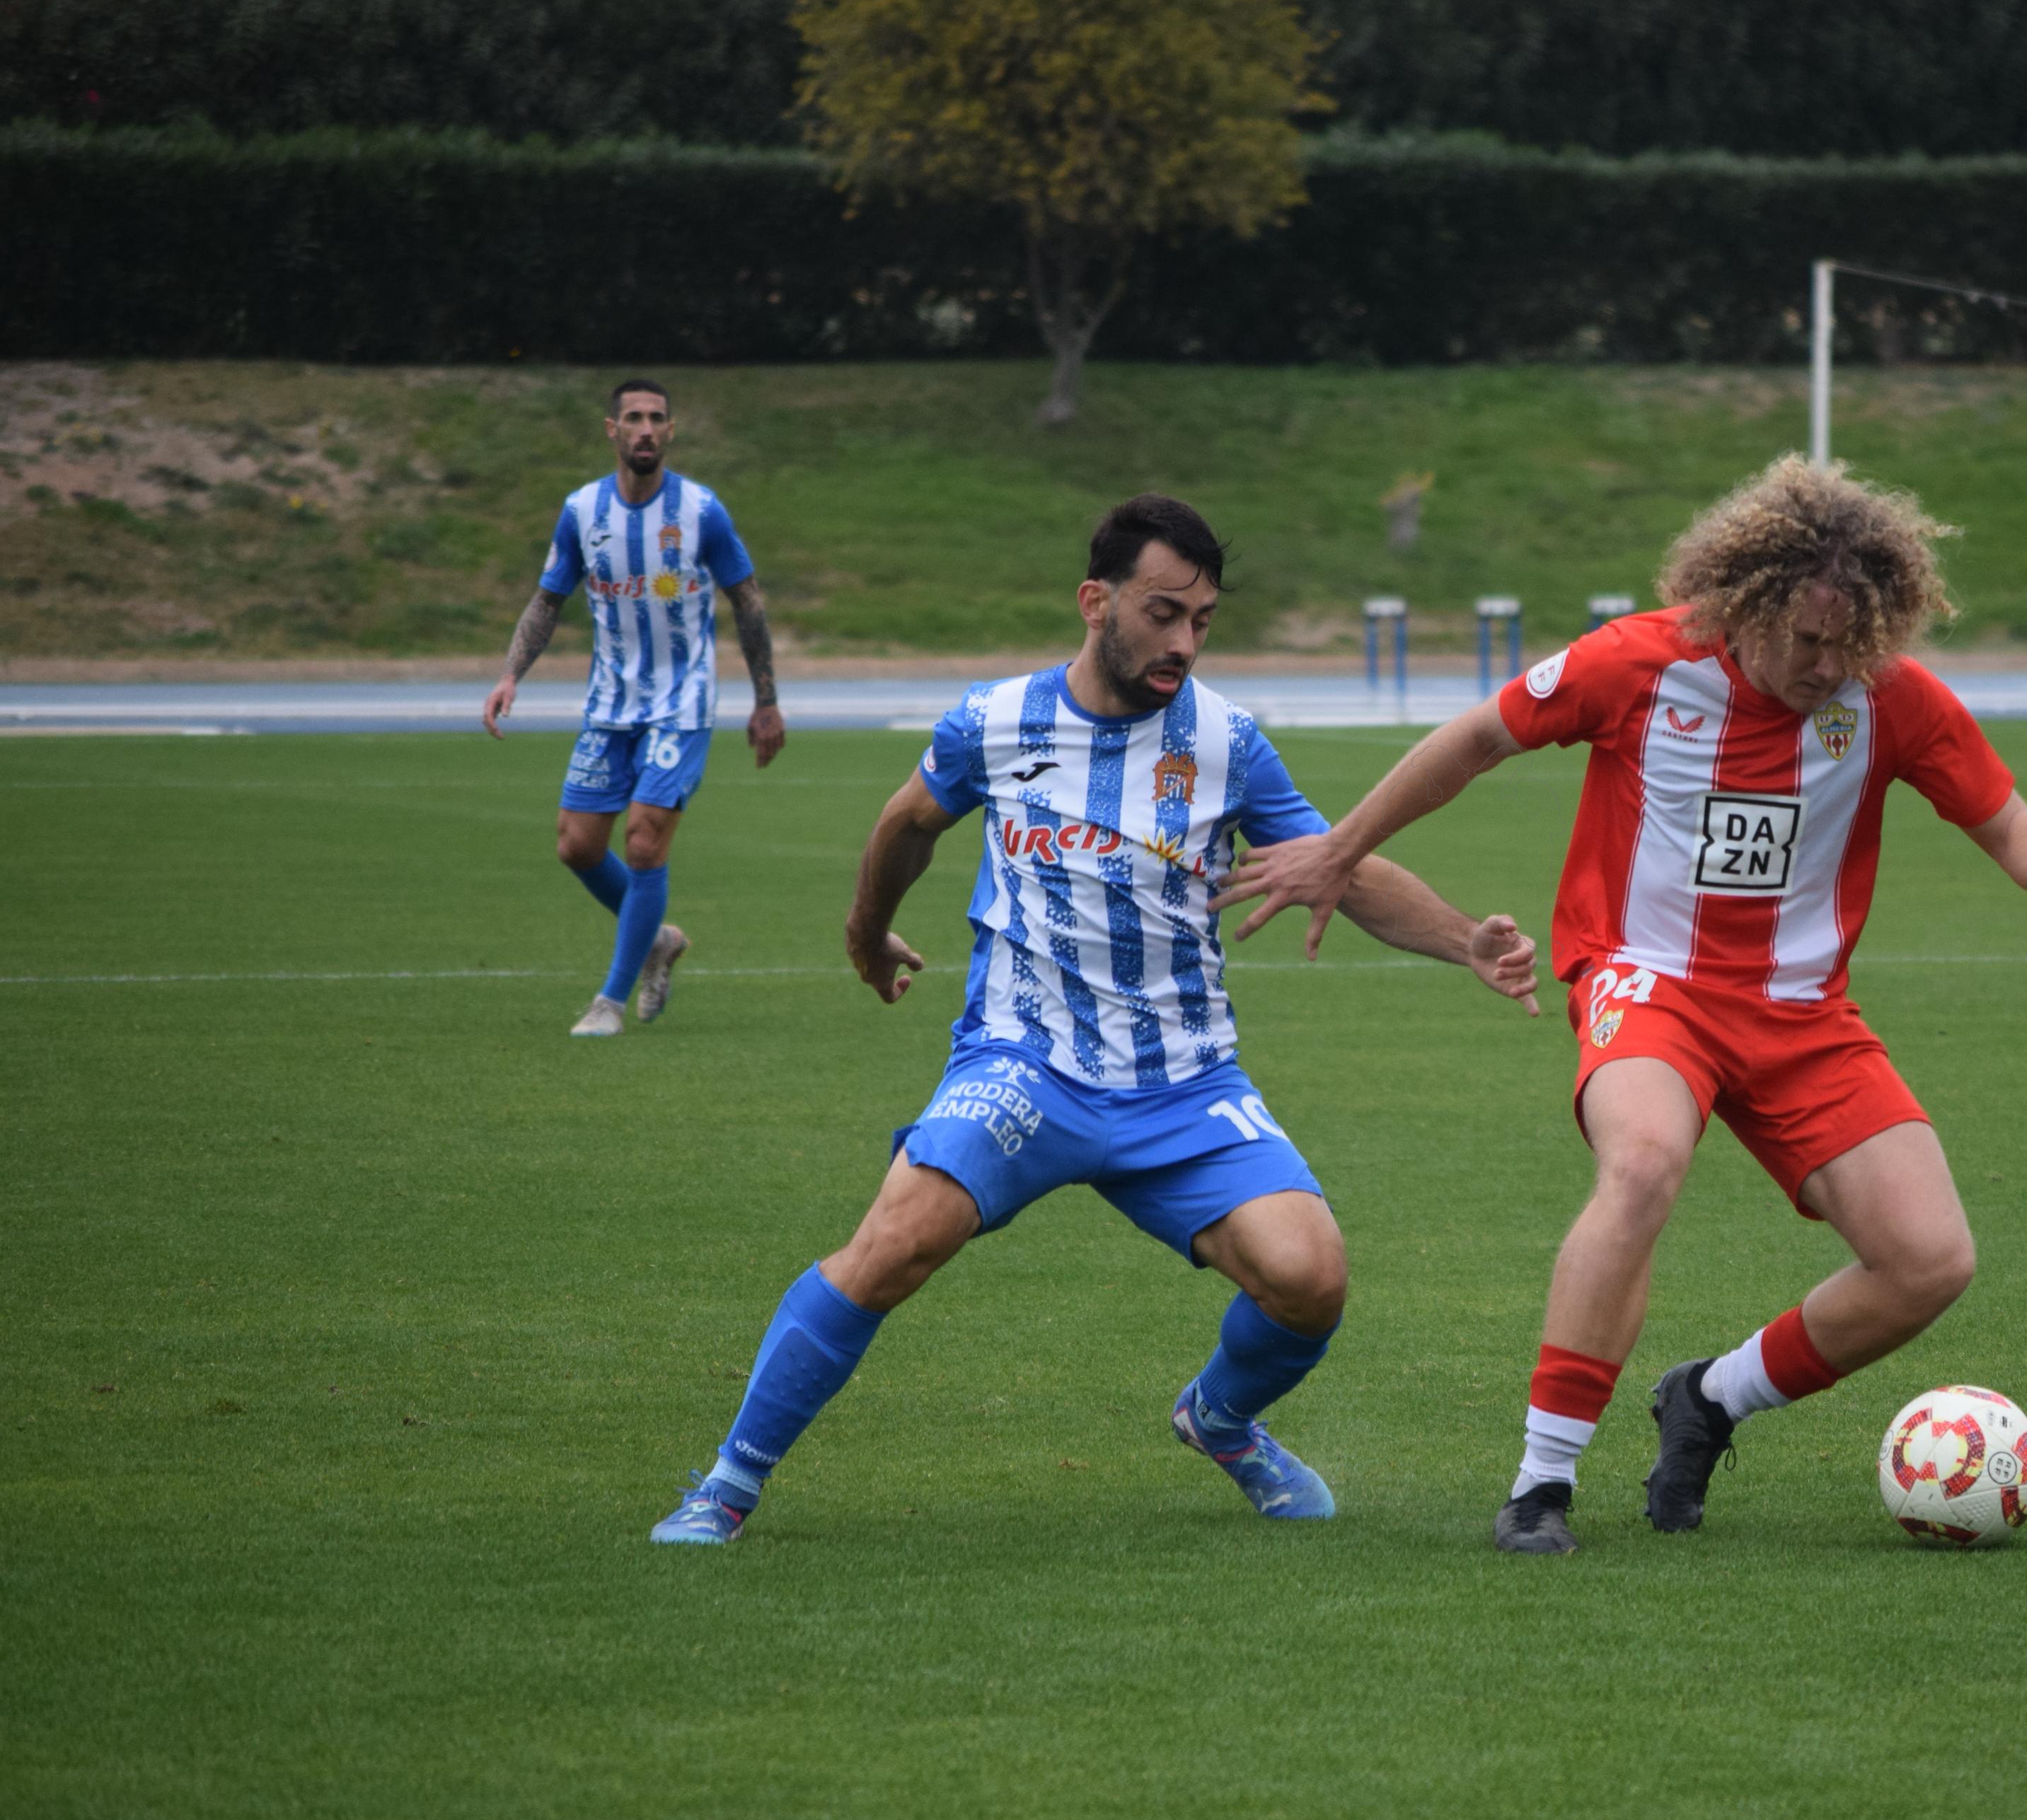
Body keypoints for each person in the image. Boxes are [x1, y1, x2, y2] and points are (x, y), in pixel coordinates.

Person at [1220, 456, 2027, 1555]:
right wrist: (1340, 848)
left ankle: (1710, 1397)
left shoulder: (1888, 697)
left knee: (1931, 1259)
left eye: (1850, 644)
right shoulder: (1638, 663)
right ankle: (1542, 1482)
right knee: (1644, 1162)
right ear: (1748, 607)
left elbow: (2008, 821)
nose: (1828, 665)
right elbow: (1475, 739)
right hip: (1648, 982)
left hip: (1802, 1013)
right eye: (1807, 639)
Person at [647, 496, 1541, 1544]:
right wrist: (866, 930)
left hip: (1184, 1083)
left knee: (1311, 1279)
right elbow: (907, 823)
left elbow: (1336, 865)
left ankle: (1219, 1419)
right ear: (1095, 601)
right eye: (1163, 613)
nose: (1184, 642)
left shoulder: (1226, 742)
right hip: (1024, 1062)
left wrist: (1463, 941)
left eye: (1202, 620)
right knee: (893, 1242)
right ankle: (726, 1483)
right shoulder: (994, 721)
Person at [481, 378, 786, 1038]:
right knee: (577, 846)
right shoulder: (582, 510)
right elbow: (548, 600)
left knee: (644, 841)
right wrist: (510, 675)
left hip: (683, 701)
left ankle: (609, 1003)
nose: (645, 428)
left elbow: (748, 601)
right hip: (609, 704)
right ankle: (657, 938)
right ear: (612, 430)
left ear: (671, 431)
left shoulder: (702, 512)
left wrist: (766, 702)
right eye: (634, 418)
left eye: (657, 418)